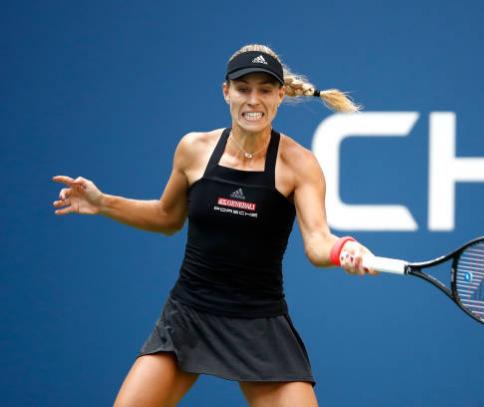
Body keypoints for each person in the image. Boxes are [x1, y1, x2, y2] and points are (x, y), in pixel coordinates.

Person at [52, 44, 377, 407]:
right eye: (243, 88)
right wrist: (102, 202)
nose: (253, 100)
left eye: (265, 90)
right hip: (189, 316)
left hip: (259, 322)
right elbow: (166, 217)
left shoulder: (300, 164)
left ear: (280, 96)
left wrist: (341, 249)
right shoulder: (194, 149)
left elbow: (317, 241)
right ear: (227, 92)